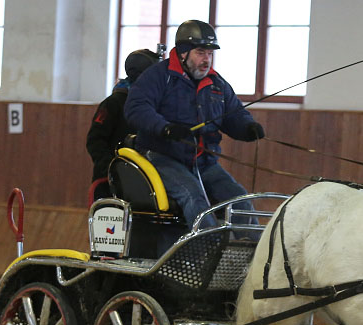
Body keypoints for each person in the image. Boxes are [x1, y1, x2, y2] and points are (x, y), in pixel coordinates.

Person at [124, 19, 264, 235]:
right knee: (195, 199)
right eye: (200, 52)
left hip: (204, 162)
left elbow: (234, 114)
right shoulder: (159, 76)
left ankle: (254, 258)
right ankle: (211, 254)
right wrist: (165, 128)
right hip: (163, 158)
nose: (206, 59)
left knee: (240, 199)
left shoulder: (217, 84)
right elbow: (136, 108)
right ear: (183, 53)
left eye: (209, 53)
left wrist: (247, 128)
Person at [86, 48, 160, 199]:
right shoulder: (113, 103)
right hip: (111, 182)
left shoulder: (155, 104)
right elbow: (95, 140)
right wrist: (112, 167)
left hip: (145, 180)